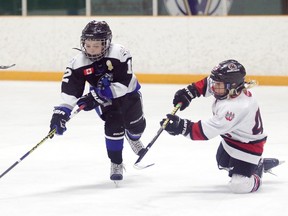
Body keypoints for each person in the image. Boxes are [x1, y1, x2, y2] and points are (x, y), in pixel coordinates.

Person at [160, 59, 282, 193]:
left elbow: (205, 131)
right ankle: (250, 166)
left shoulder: (236, 107)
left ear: (233, 86)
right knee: (222, 162)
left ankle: (257, 169)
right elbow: (207, 82)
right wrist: (190, 92)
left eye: (218, 85)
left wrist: (180, 127)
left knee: (239, 186)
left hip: (248, 146)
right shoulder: (227, 89)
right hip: (230, 139)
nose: (213, 88)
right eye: (216, 83)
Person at [49, 20, 146, 182]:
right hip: (104, 100)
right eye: (88, 45)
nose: (91, 50)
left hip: (128, 95)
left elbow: (125, 83)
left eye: (96, 45)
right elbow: (71, 89)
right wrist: (61, 112)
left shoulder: (120, 53)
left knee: (136, 127)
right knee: (113, 125)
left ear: (107, 43)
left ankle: (133, 137)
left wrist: (98, 95)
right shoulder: (77, 63)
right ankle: (116, 162)